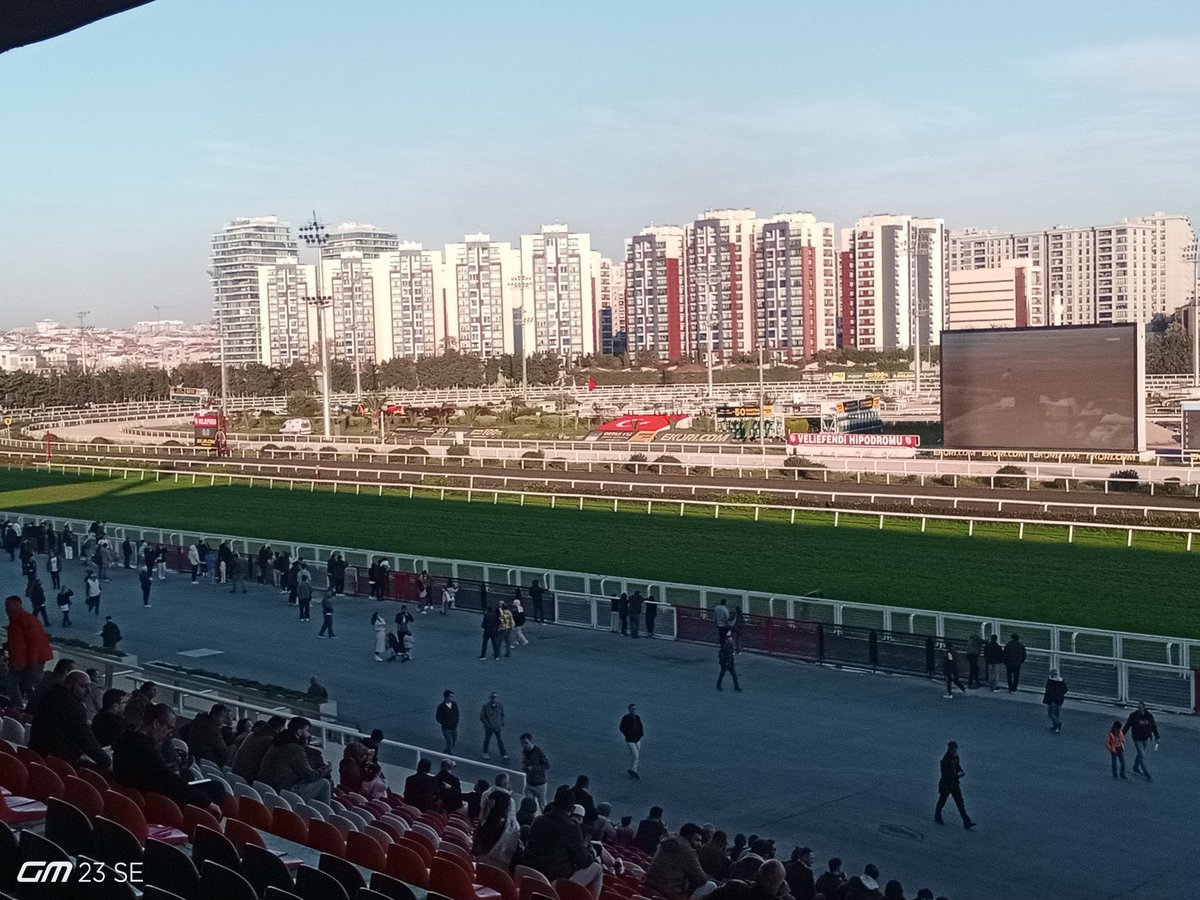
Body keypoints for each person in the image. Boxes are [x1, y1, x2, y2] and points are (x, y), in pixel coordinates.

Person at [113, 703, 223, 810]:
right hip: (157, 800)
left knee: (187, 775)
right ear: (156, 724)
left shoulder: (124, 740)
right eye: (169, 728)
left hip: (141, 792)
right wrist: (207, 803)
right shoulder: (147, 750)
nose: (170, 733)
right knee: (216, 787)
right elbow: (169, 779)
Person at [523, 785, 603, 898]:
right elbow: (583, 861)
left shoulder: (539, 820)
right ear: (571, 809)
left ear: (554, 803)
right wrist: (592, 853)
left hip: (529, 870)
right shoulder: (571, 828)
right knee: (597, 869)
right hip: (554, 878)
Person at [29, 670, 111, 769]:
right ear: (68, 685)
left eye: (89, 686)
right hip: (57, 761)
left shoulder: (49, 695)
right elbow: (85, 739)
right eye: (83, 686)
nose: (89, 691)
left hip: (36, 752)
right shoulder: (74, 707)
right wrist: (106, 761)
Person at [258, 716, 332, 802]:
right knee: (324, 783)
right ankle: (325, 814)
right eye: (307, 731)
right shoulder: (295, 748)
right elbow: (310, 776)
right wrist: (326, 769)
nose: (309, 735)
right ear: (299, 731)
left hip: (267, 790)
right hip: (284, 795)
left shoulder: (277, 742)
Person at [644, 822, 716, 900]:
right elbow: (701, 879)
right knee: (711, 885)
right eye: (697, 840)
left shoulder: (666, 842)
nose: (700, 845)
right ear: (687, 837)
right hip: (668, 891)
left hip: (648, 883)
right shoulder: (686, 851)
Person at [5, 594, 54, 708]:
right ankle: (28, 707)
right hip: (24, 660)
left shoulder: (22, 620)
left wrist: (33, 662)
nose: (6, 610)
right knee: (23, 683)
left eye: (8, 607)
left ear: (17, 605)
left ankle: (30, 707)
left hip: (29, 660)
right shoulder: (20, 619)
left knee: (21, 683)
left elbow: (33, 643)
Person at [933, 741, 976, 830]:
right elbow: (946, 774)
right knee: (942, 800)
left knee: (960, 802)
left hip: (954, 784)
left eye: (955, 748)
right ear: (950, 749)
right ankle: (937, 815)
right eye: (953, 748)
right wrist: (957, 775)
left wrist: (960, 771)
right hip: (946, 784)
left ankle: (966, 821)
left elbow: (957, 766)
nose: (955, 750)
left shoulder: (955, 757)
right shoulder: (944, 760)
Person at [231, 715, 287, 782]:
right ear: (280, 728)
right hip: (248, 779)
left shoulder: (251, 734)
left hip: (235, 775)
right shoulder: (270, 741)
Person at [1123, 701, 1160, 781]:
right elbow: (1127, 726)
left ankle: (1135, 768)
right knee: (1142, 755)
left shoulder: (1149, 716)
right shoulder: (1133, 716)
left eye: (1140, 708)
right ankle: (1147, 775)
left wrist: (1157, 736)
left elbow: (1153, 726)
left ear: (1144, 708)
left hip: (1145, 738)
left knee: (1140, 754)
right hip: (1137, 739)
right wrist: (1121, 735)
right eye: (1138, 708)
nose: (1139, 709)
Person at [520, 732, 550, 809]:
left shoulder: (539, 752)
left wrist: (533, 768)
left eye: (526, 743)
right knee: (529, 806)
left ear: (531, 742)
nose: (524, 745)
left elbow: (547, 765)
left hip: (539, 784)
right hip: (529, 783)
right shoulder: (525, 752)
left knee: (542, 806)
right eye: (523, 743)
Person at [481, 692, 508, 761]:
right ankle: (485, 753)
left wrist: (502, 722)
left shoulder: (500, 705)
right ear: (490, 698)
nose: (494, 699)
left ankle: (503, 754)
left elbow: (502, 715)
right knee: (487, 740)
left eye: (495, 697)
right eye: (492, 697)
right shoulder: (485, 707)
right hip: (489, 728)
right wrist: (487, 724)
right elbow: (482, 717)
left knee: (500, 741)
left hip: (497, 727)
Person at [620, 703, 644, 779]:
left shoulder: (637, 717)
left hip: (638, 740)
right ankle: (633, 770)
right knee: (636, 756)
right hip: (630, 740)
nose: (634, 710)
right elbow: (621, 728)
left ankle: (633, 769)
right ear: (629, 709)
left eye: (635, 709)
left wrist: (641, 735)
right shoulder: (625, 718)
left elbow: (641, 726)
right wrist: (627, 734)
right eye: (632, 709)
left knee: (636, 756)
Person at [437, 689, 460, 754]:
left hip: (454, 728)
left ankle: (445, 753)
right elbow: (438, 718)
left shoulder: (454, 704)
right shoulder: (441, 706)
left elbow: (457, 713)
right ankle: (451, 758)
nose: (452, 698)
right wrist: (445, 723)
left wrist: (456, 722)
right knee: (449, 743)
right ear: (446, 697)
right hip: (446, 729)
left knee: (454, 742)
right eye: (450, 696)